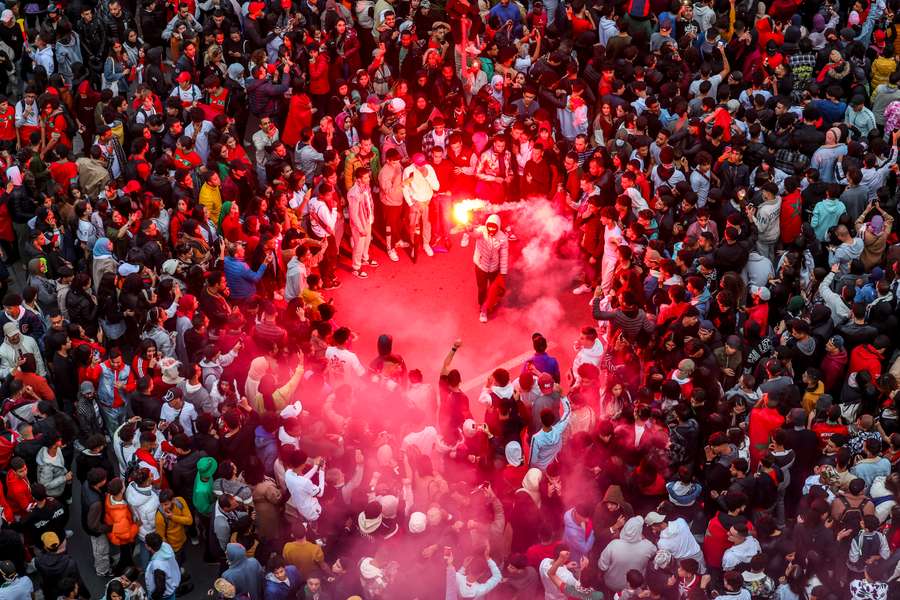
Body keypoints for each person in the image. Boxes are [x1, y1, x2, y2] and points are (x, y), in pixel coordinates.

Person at [472, 214, 509, 323]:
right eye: (489, 226)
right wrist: (469, 229)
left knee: (493, 290)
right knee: (482, 289)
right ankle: (483, 310)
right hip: (480, 267)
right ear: (486, 225)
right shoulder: (481, 231)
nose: (491, 229)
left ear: (498, 227)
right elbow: (474, 234)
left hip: (494, 269)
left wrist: (502, 273)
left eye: (494, 227)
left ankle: (490, 303)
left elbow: (504, 255)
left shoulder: (502, 238)